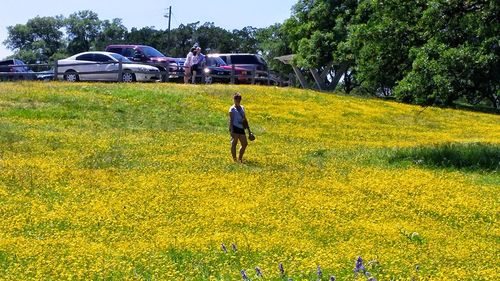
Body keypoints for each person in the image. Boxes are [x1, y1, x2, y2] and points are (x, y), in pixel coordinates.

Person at [228, 92, 249, 163]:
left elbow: (245, 118)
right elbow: (231, 120)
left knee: (245, 144)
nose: (238, 101)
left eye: (239, 99)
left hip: (241, 128)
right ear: (234, 99)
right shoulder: (232, 109)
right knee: (234, 143)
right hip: (235, 128)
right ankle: (234, 160)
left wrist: (249, 130)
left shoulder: (242, 107)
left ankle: (240, 158)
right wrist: (231, 130)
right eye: (236, 99)